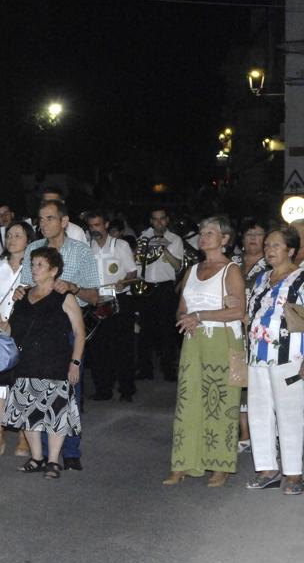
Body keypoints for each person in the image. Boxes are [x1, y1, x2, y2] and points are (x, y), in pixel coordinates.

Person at [17, 199, 100, 470]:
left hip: (66, 327)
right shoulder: (33, 249)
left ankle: (71, 451)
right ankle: (40, 454)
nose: (43, 224)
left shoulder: (81, 252)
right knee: (36, 391)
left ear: (64, 221)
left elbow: (95, 296)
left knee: (69, 391)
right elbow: (27, 288)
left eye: (50, 218)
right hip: (37, 330)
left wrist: (74, 288)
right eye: (40, 219)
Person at [163, 217, 244, 487]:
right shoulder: (192, 269)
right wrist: (186, 317)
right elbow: (181, 308)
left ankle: (219, 465)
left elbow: (238, 311)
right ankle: (183, 463)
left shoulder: (230, 270)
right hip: (194, 339)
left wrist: (200, 315)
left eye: (211, 233)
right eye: (202, 232)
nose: (204, 237)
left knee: (221, 402)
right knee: (188, 402)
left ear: (225, 240)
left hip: (222, 340)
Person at [2, 247, 86, 479]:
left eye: (40, 265)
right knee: (27, 413)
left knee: (55, 413)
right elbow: (12, 329)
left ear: (54, 270)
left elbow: (79, 332)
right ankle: (37, 457)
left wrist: (75, 363)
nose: (34, 269)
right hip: (26, 361)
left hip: (55, 361)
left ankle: (53, 461)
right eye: (33, 264)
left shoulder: (64, 297)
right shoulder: (22, 295)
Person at [244, 227, 304, 495]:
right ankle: (267, 469)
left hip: (289, 356)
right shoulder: (261, 278)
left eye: (276, 245)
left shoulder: (301, 279)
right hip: (258, 355)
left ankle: (293, 474)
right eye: (267, 245)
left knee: (290, 414)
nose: (269, 249)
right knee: (258, 412)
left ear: (291, 250)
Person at [0, 221, 35, 456]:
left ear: (28, 239)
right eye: (10, 235)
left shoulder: (35, 267)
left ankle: (23, 437)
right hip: (0, 330)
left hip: (26, 332)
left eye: (18, 235)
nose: (12, 239)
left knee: (22, 384)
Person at [84, 209, 138, 404]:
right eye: (91, 227)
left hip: (119, 301)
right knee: (99, 348)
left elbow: (133, 272)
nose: (94, 230)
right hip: (97, 301)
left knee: (123, 347)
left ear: (106, 225)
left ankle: (126, 389)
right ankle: (103, 389)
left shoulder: (120, 245)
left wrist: (124, 281)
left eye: (97, 225)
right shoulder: (88, 246)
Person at [135, 207, 185, 382]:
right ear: (151, 221)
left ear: (167, 220)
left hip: (165, 288)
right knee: (145, 330)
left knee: (167, 331)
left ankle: (168, 369)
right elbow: (137, 261)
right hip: (146, 287)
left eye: (162, 219)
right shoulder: (143, 237)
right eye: (155, 219)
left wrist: (164, 248)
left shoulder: (175, 239)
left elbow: (178, 266)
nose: (159, 222)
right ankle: (145, 369)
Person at [234, 220, 270, 453]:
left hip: (258, 331)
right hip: (233, 329)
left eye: (258, 234)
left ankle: (262, 435)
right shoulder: (232, 263)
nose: (253, 239)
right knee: (237, 380)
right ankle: (243, 434)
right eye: (249, 234)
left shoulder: (270, 264)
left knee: (259, 383)